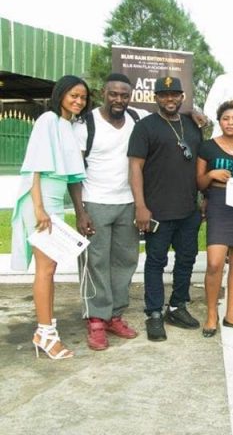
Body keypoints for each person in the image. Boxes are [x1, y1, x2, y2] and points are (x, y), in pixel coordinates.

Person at [11, 75, 91, 359]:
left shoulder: (69, 126)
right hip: (40, 199)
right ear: (61, 95)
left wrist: (79, 212)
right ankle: (45, 334)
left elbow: (72, 177)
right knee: (45, 269)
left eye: (83, 97)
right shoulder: (48, 120)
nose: (78, 101)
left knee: (51, 267)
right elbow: (34, 167)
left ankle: (46, 330)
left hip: (53, 202)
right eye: (73, 95)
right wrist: (39, 208)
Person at [128, 76, 203, 341]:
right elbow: (135, 167)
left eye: (174, 94)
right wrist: (140, 206)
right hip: (157, 209)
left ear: (182, 96)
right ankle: (154, 313)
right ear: (156, 98)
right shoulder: (145, 127)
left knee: (186, 259)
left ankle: (177, 306)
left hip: (188, 209)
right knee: (156, 262)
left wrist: (203, 198)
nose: (169, 99)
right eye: (163, 94)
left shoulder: (192, 125)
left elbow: (200, 163)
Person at [73, 73, 143, 351]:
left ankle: (114, 315)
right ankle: (96, 320)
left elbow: (169, 109)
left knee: (125, 261)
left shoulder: (135, 118)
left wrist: (194, 113)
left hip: (127, 202)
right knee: (95, 262)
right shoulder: (86, 123)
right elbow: (74, 172)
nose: (118, 99)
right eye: (113, 94)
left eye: (124, 95)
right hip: (95, 202)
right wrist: (80, 211)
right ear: (104, 93)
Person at [196, 101, 233, 337]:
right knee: (214, 263)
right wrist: (211, 174)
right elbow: (199, 183)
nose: (230, 123)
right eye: (226, 118)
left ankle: (231, 314)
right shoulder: (207, 147)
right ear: (219, 121)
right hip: (219, 204)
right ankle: (211, 315)